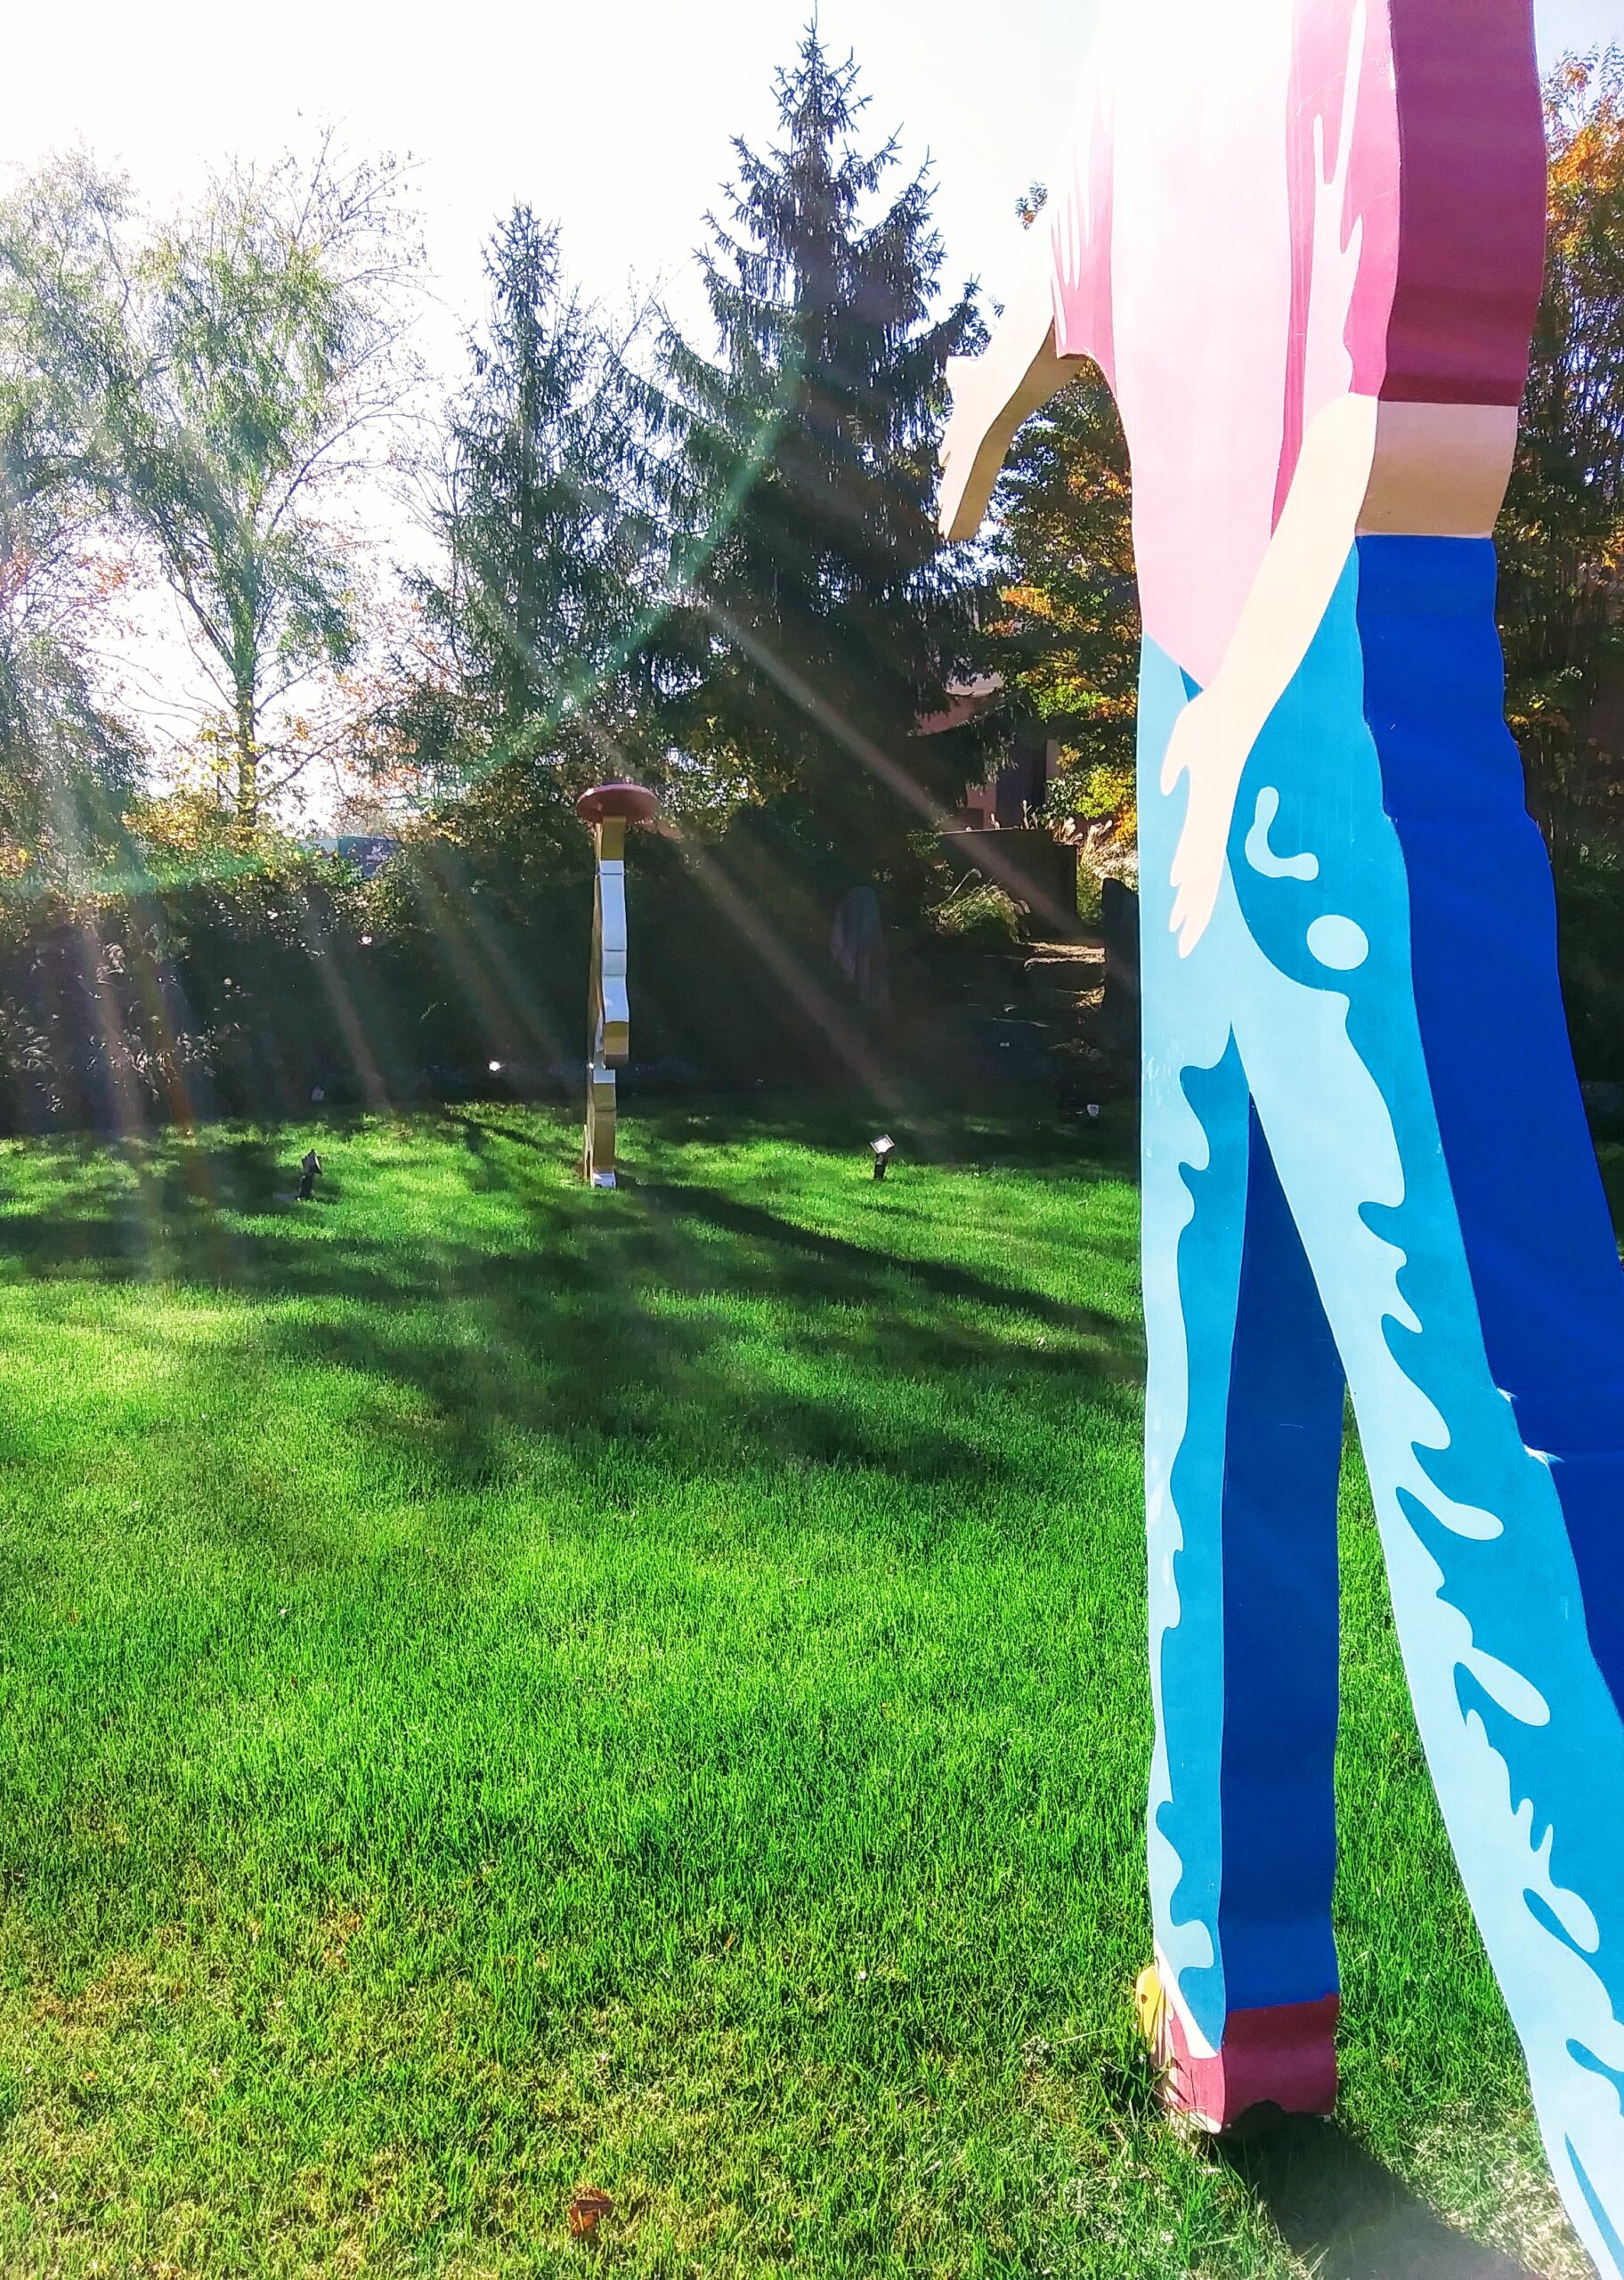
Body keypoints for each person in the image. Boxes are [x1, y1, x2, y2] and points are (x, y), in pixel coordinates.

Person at [938, 4, 1624, 2268]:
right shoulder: (1146, 63)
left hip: (1319, 731)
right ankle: (1230, 2000)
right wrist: (997, 388)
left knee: (1490, 1467)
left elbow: (1412, 368)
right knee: (1246, 1430)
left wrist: (1253, 721)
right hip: (1228, 741)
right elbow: (1070, 269)